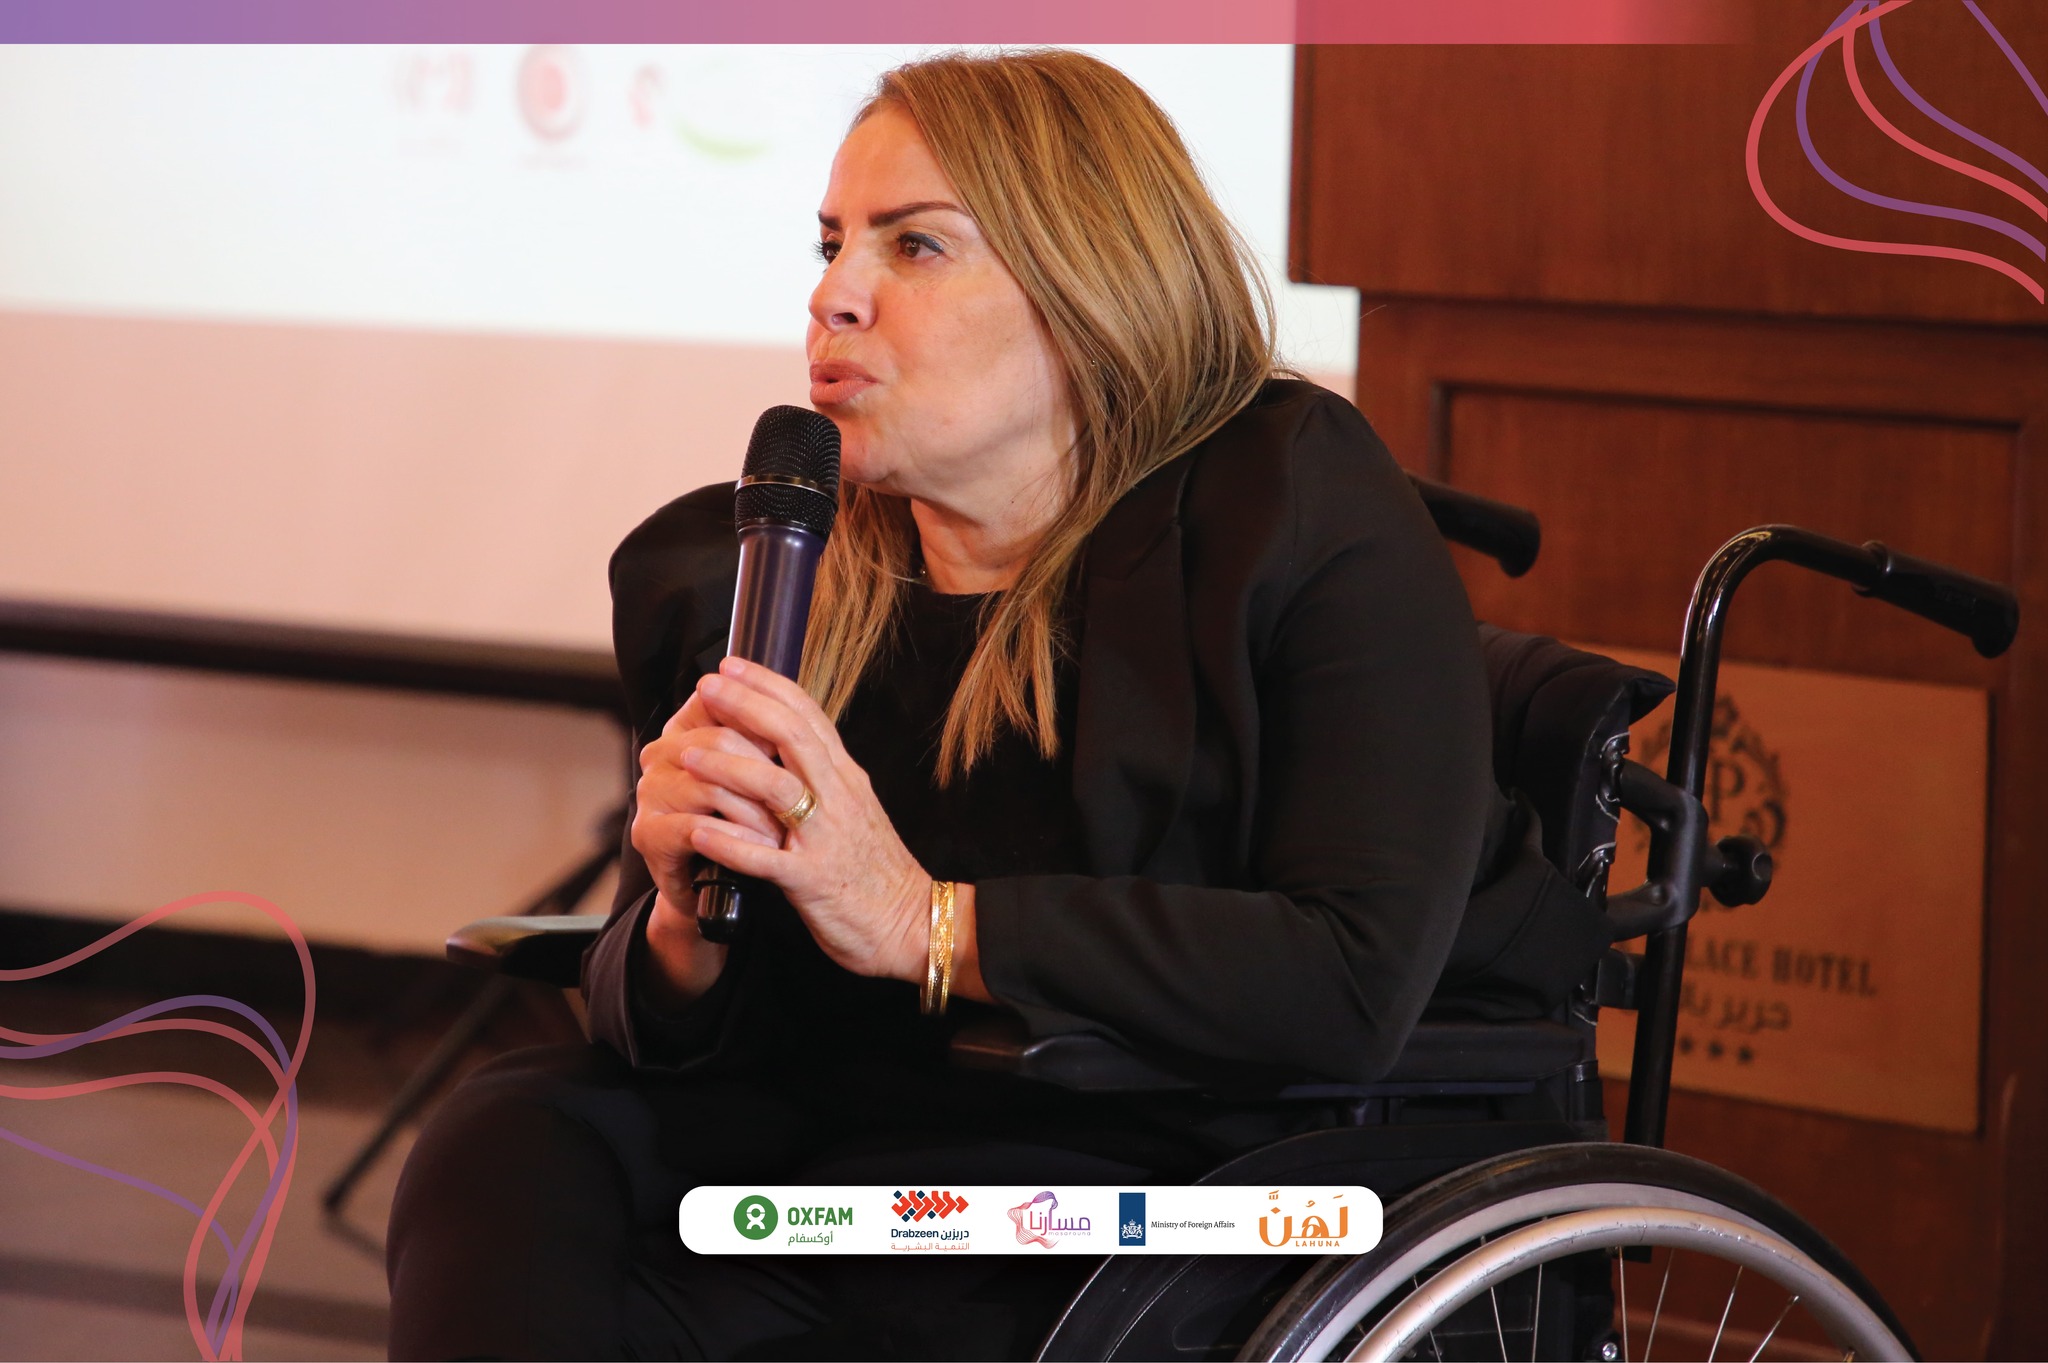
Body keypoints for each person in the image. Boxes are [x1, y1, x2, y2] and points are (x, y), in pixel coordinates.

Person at [387, 48, 1583, 1361]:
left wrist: (926, 922)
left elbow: (1348, 980)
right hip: (839, 1150)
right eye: (831, 244)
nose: (833, 295)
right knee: (517, 1135)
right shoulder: (747, 574)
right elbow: (666, 1024)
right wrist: (682, 919)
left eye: (915, 246)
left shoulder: (1290, 506)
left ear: (1089, 286)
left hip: (1164, 1166)